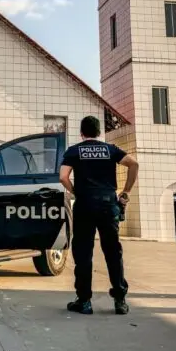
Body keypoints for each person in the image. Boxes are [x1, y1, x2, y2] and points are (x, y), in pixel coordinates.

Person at [58, 115, 139, 316]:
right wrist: (125, 192)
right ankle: (120, 301)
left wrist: (75, 191)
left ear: (81, 133)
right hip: (108, 204)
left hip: (85, 205)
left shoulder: (74, 151)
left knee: (83, 253)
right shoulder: (110, 150)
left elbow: (63, 177)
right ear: (99, 132)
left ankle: (84, 301)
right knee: (113, 252)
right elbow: (133, 164)